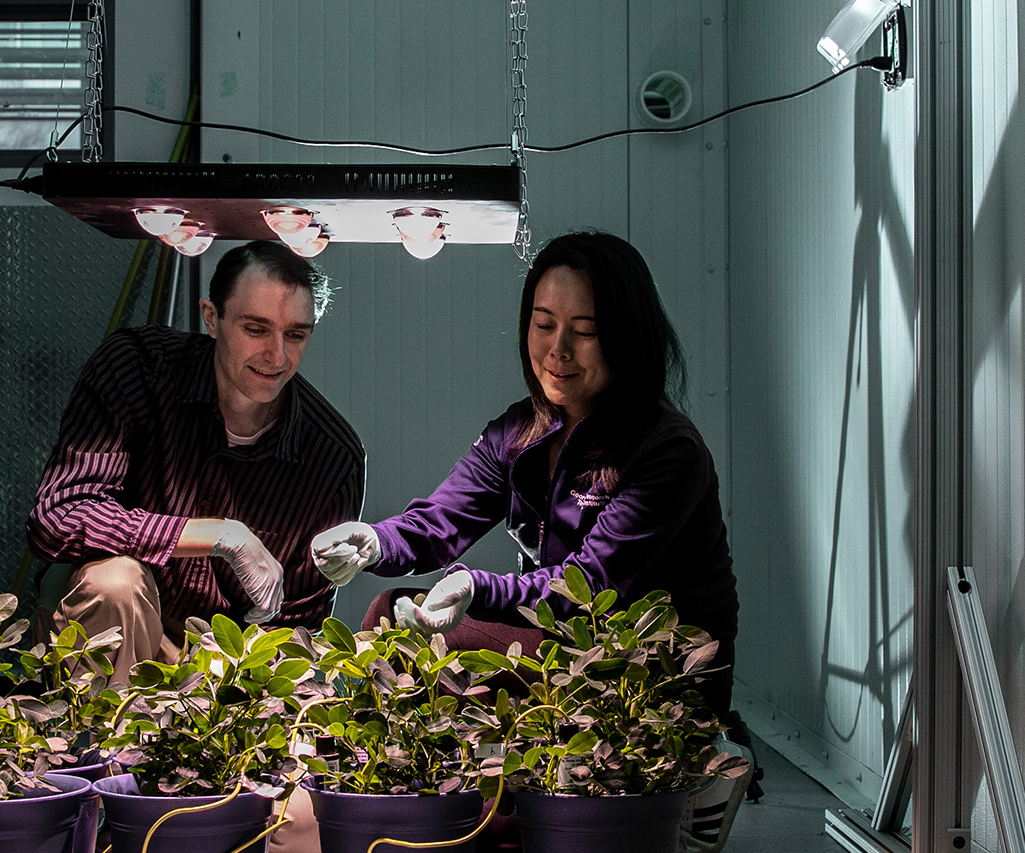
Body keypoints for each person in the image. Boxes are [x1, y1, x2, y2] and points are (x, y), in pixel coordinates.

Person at [311, 228, 746, 751]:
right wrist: (375, 541)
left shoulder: (667, 452)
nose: (558, 349)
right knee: (396, 621)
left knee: (400, 628)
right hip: (567, 647)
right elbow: (439, 521)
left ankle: (704, 753)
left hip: (647, 670)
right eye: (544, 324)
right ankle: (391, 785)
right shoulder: (521, 432)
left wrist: (476, 588)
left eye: (584, 330)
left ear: (627, 336)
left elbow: (587, 588)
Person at [29, 240, 365, 680]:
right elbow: (57, 518)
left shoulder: (331, 455)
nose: (277, 357)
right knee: (115, 585)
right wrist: (219, 536)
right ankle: (99, 749)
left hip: (220, 660)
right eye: (256, 329)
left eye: (296, 335)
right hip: (113, 624)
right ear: (212, 318)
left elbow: (300, 624)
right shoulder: (139, 369)